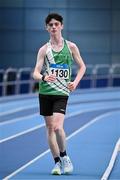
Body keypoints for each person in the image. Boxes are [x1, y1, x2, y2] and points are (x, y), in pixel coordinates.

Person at [33, 13, 86, 175]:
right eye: (50, 25)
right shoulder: (44, 49)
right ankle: (57, 163)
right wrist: (43, 77)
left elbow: (82, 67)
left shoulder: (71, 47)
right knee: (49, 129)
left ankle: (64, 156)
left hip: (62, 92)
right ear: (46, 28)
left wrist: (75, 83)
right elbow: (35, 72)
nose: (53, 27)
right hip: (45, 92)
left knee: (57, 127)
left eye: (56, 24)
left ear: (61, 26)